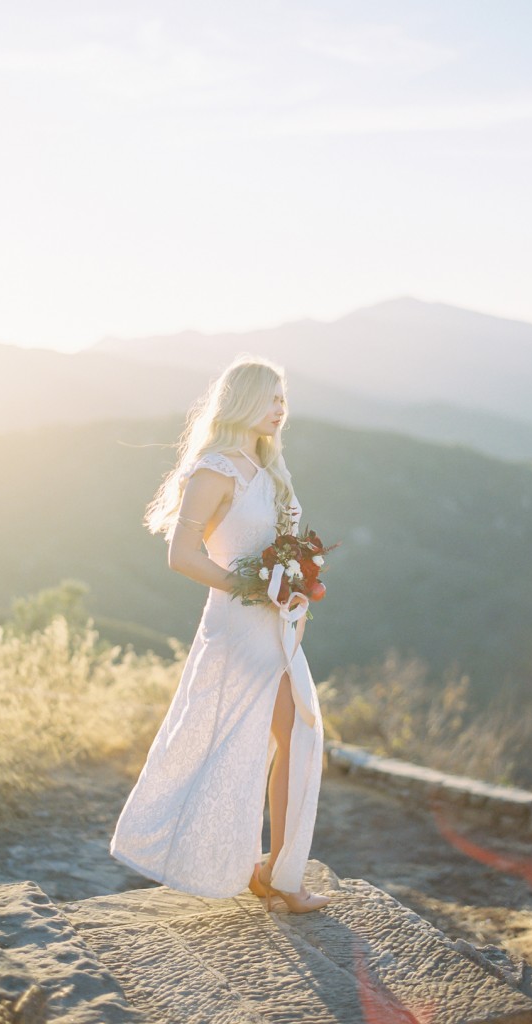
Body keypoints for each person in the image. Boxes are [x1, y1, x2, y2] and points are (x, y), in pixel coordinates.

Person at [110, 354, 330, 913]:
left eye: (284, 398)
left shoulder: (273, 470)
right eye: (270, 397)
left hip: (278, 626)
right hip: (236, 626)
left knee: (298, 734)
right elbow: (181, 555)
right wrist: (248, 586)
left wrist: (295, 590)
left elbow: (283, 551)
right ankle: (268, 873)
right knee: (247, 738)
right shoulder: (215, 469)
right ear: (241, 401)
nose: (280, 409)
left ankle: (277, 870)